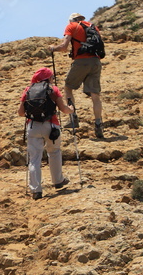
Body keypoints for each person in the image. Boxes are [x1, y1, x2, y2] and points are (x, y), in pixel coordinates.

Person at [18, 67, 73, 199]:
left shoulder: (28, 90)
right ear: (48, 78)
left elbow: (20, 112)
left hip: (32, 126)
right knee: (54, 152)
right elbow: (63, 109)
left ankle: (36, 190)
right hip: (51, 125)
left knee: (35, 158)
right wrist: (71, 109)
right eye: (52, 77)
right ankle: (58, 181)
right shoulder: (53, 89)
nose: (53, 79)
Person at [50, 12, 106, 139]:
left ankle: (73, 118)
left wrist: (53, 48)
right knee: (95, 95)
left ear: (71, 20)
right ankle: (98, 124)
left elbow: (64, 47)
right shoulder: (93, 27)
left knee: (68, 87)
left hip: (81, 61)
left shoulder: (72, 26)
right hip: (96, 62)